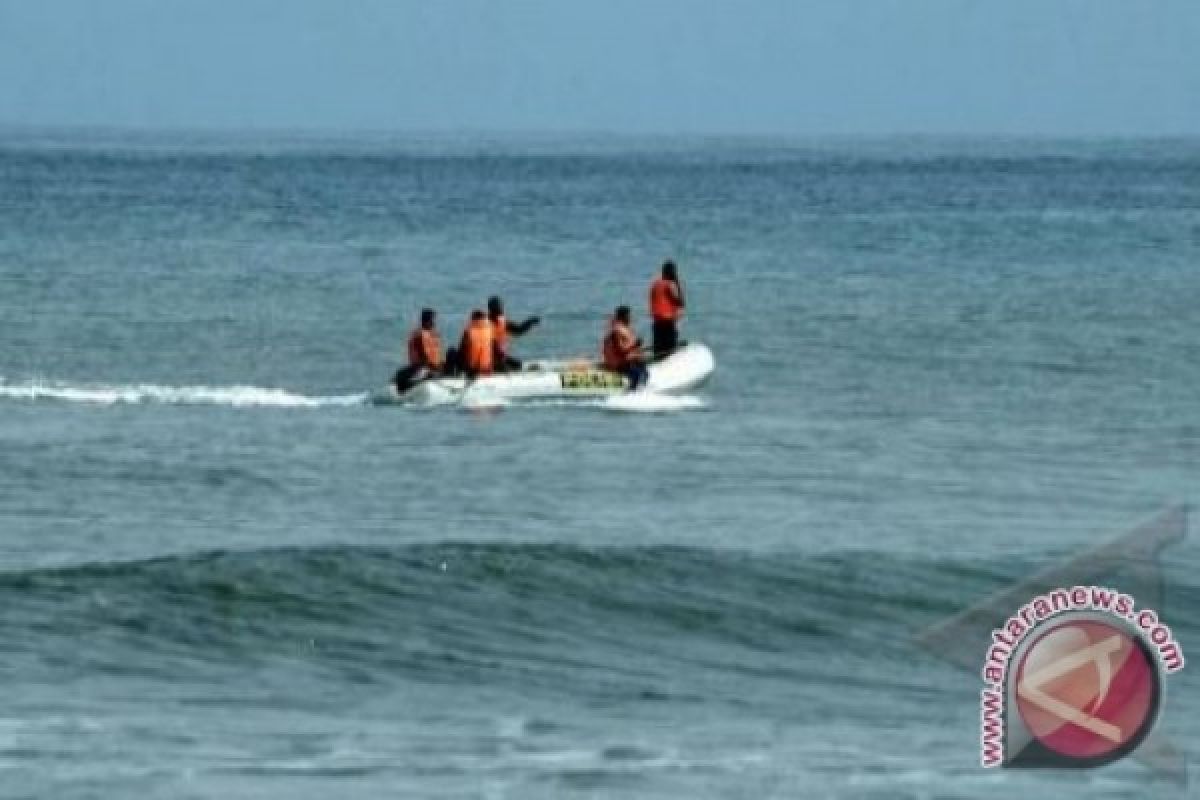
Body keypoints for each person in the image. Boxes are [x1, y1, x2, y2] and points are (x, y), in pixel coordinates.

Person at [393, 308, 442, 392]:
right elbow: (424, 356)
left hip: (425, 366)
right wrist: (435, 368)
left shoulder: (429, 334)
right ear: (427, 321)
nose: (434, 323)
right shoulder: (421, 335)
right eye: (433, 320)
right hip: (422, 367)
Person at [487, 295, 540, 372]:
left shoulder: (503, 322)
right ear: (491, 310)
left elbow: (518, 331)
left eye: (500, 307)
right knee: (505, 369)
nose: (501, 309)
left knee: (518, 365)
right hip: (488, 358)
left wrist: (530, 322)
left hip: (500, 357)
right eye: (498, 307)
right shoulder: (485, 324)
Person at [602, 305, 649, 390]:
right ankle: (632, 393)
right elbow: (620, 349)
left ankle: (639, 391)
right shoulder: (617, 331)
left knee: (645, 373)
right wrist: (635, 344)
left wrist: (638, 350)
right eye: (629, 315)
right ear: (624, 317)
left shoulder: (625, 328)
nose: (631, 318)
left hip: (630, 361)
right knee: (637, 374)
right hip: (622, 363)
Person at [648, 260, 685, 359]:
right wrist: (678, 284)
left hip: (657, 320)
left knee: (658, 350)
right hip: (668, 320)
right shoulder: (670, 284)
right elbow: (679, 301)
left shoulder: (655, 284)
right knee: (670, 350)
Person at [459, 309, 495, 378]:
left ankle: (451, 373)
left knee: (451, 352)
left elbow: (461, 350)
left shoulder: (469, 331)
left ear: (473, 318)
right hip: (486, 368)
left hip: (471, 368)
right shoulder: (490, 330)